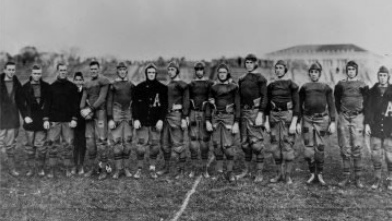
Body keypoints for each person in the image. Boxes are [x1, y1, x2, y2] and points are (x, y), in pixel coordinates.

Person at [297, 62, 336, 186]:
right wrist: (298, 121)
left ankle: (319, 173)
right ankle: (312, 173)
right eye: (312, 72)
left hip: (321, 120)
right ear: (309, 73)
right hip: (307, 119)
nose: (314, 74)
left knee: (319, 148)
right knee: (308, 149)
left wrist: (333, 121)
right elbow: (299, 105)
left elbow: (331, 105)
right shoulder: (304, 87)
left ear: (320, 73)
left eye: (316, 72)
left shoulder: (326, 87)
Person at [334, 61, 369, 188]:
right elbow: (336, 100)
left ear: (356, 71)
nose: (351, 72)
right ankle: (346, 177)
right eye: (349, 69)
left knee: (357, 146)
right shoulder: (340, 84)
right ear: (346, 71)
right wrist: (341, 112)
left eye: (353, 70)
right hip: (344, 117)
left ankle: (358, 178)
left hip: (357, 117)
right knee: (344, 147)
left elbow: (367, 102)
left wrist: (361, 114)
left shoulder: (363, 85)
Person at [265, 60, 299, 184]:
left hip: (287, 117)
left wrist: (295, 122)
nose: (278, 70)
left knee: (287, 145)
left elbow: (297, 105)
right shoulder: (271, 86)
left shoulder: (292, 85)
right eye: (276, 68)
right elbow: (266, 105)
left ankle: (288, 175)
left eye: (281, 68)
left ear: (285, 70)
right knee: (275, 146)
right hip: (274, 117)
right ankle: (279, 174)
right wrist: (266, 121)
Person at [206, 63, 240, 182]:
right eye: (220, 72)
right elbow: (208, 106)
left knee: (228, 147)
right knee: (217, 146)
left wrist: (236, 122)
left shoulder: (234, 87)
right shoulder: (213, 88)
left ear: (227, 73)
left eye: (224, 72)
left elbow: (238, 106)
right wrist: (207, 121)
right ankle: (219, 171)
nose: (222, 74)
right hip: (216, 118)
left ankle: (230, 172)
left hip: (228, 118)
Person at [133, 63, 168, 179]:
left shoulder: (162, 88)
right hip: (142, 122)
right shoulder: (139, 87)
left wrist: (161, 120)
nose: (151, 74)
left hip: (155, 122)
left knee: (155, 146)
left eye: (153, 73)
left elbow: (164, 106)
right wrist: (136, 119)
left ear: (156, 74)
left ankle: (152, 169)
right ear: (146, 74)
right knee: (140, 146)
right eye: (149, 73)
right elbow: (134, 106)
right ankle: (139, 169)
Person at [236, 54, 268, 182]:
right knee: (244, 143)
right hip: (244, 112)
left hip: (255, 112)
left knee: (256, 145)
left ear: (255, 63)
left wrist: (260, 113)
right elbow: (239, 97)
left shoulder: (261, 78)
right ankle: (246, 171)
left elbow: (265, 97)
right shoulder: (242, 78)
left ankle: (259, 173)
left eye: (251, 62)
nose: (248, 64)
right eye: (247, 62)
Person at [44, 63, 79, 178]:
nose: (63, 72)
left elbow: (76, 105)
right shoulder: (51, 87)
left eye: (65, 70)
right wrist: (46, 119)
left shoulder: (72, 87)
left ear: (67, 71)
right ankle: (52, 169)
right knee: (52, 144)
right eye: (61, 70)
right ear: (57, 71)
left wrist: (74, 118)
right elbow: (47, 104)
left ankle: (67, 168)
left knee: (68, 145)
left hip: (68, 121)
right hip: (54, 121)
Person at [157, 61, 190, 180]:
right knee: (164, 144)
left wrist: (184, 118)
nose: (170, 71)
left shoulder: (183, 85)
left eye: (172, 69)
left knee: (178, 145)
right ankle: (166, 167)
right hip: (166, 116)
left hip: (176, 116)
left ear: (177, 70)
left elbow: (186, 102)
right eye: (169, 69)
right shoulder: (168, 84)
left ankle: (181, 171)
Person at [17, 64, 50, 177]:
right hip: (30, 121)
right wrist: (25, 116)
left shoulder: (46, 86)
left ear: (41, 74)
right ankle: (31, 169)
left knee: (41, 147)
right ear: (31, 73)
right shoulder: (25, 87)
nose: (37, 75)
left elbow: (48, 104)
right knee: (30, 147)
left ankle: (40, 168)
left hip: (41, 120)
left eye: (39, 73)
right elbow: (20, 104)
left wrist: (46, 119)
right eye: (35, 73)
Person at [80, 61, 111, 180]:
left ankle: (103, 169)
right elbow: (83, 99)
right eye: (91, 69)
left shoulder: (103, 80)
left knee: (102, 142)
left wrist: (91, 109)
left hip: (100, 113)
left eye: (95, 69)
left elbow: (102, 98)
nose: (93, 71)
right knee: (90, 142)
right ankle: (92, 168)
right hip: (89, 114)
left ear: (99, 69)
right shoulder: (87, 83)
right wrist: (82, 110)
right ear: (89, 70)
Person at [364, 66, 392, 190]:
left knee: (389, 154)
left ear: (388, 76)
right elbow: (368, 109)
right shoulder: (372, 91)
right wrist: (367, 124)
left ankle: (390, 179)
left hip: (389, 126)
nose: (382, 77)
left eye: (384, 75)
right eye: (380, 75)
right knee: (375, 153)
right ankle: (377, 179)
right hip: (375, 126)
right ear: (377, 76)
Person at [107, 62, 135, 179]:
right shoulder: (113, 85)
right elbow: (109, 102)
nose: (122, 72)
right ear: (117, 71)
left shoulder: (131, 85)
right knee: (117, 142)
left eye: (124, 70)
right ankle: (118, 169)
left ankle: (126, 169)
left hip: (128, 113)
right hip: (117, 112)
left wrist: (135, 117)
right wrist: (110, 118)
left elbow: (136, 102)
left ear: (126, 71)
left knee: (127, 142)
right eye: (120, 70)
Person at [187, 62, 214, 178]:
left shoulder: (209, 84)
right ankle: (193, 169)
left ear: (204, 70)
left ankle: (204, 169)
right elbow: (187, 101)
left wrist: (208, 118)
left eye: (201, 69)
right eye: (197, 69)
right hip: (193, 113)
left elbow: (210, 101)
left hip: (205, 114)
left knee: (204, 143)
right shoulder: (191, 84)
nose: (199, 71)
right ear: (195, 71)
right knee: (193, 144)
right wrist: (186, 116)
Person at [0, 61, 22, 177]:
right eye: (9, 69)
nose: (11, 72)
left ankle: (11, 168)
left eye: (13, 70)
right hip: (1, 118)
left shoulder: (16, 83)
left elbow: (22, 99)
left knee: (11, 145)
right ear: (4, 70)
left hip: (12, 118)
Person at [71, 72, 86, 175]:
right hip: (73, 121)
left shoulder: (85, 91)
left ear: (82, 81)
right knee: (74, 143)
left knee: (83, 143)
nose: (78, 82)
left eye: (80, 80)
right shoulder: (70, 91)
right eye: (76, 80)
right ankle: (74, 165)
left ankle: (81, 165)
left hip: (83, 121)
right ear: (74, 81)